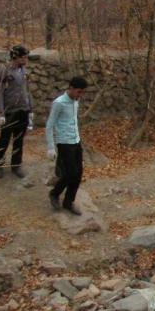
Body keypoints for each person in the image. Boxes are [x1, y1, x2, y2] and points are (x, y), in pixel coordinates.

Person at [45, 76, 88, 215]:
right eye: (78, 92)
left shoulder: (76, 102)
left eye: (82, 93)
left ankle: (68, 202)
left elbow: (73, 121)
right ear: (71, 88)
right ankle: (54, 193)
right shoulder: (59, 103)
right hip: (64, 142)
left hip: (76, 140)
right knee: (71, 173)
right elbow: (49, 125)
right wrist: (51, 147)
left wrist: (79, 139)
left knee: (78, 173)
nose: (80, 95)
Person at [0, 45, 34, 179]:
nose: (25, 60)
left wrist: (30, 109)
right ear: (15, 57)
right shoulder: (4, 71)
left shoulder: (25, 71)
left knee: (19, 139)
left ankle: (16, 165)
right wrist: (0, 113)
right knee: (4, 139)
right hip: (9, 110)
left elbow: (28, 90)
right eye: (23, 57)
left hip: (23, 109)